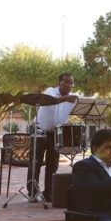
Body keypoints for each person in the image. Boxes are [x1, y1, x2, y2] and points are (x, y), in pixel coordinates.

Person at [32, 72, 79, 201]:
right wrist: (65, 99)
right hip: (40, 131)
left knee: (52, 165)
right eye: (66, 82)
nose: (69, 85)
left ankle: (49, 194)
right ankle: (33, 193)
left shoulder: (74, 98)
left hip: (56, 134)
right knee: (35, 163)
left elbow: (79, 108)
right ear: (59, 83)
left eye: (71, 83)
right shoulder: (50, 91)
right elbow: (49, 102)